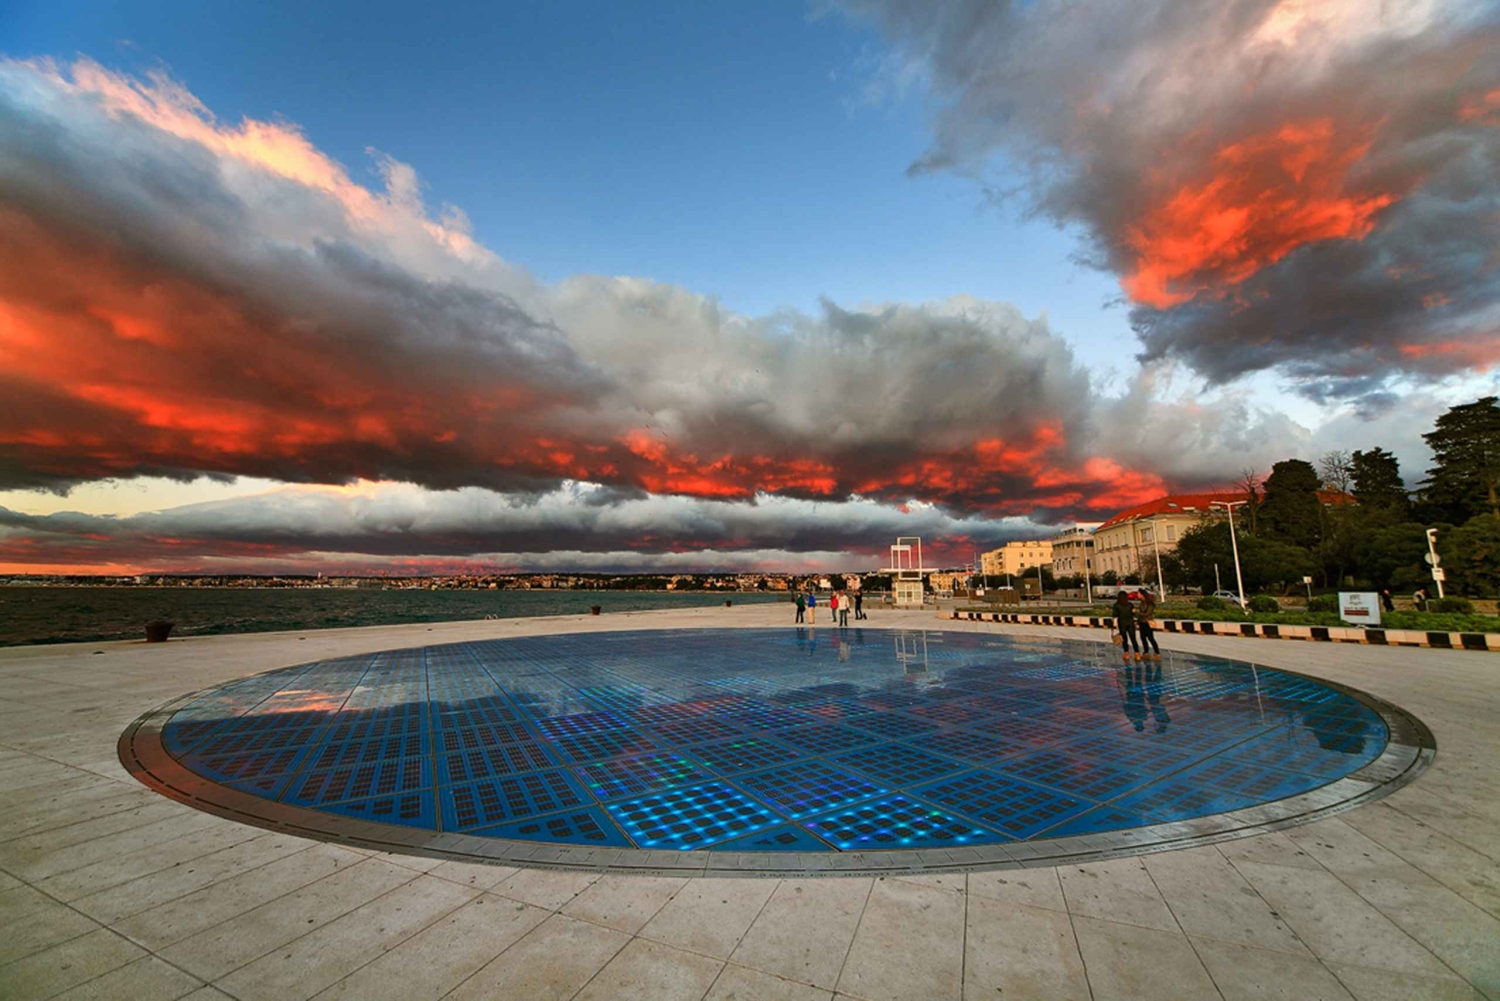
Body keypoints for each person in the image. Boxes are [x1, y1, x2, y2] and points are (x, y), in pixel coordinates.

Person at [1112, 591, 1140, 661]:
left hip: (1122, 623)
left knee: (1124, 640)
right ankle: (1137, 654)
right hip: (1130, 623)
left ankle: (1126, 654)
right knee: (1133, 639)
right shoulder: (1130, 604)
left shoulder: (1116, 605)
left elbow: (1115, 615)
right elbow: (1133, 613)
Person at [1137, 590, 1161, 659]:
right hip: (1142, 622)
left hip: (1147, 623)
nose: (1137, 595)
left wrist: (1137, 613)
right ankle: (1146, 652)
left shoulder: (1150, 604)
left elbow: (1148, 614)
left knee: (1150, 638)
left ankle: (1157, 653)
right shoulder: (1141, 603)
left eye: (1138, 594)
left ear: (1142, 594)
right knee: (1143, 638)